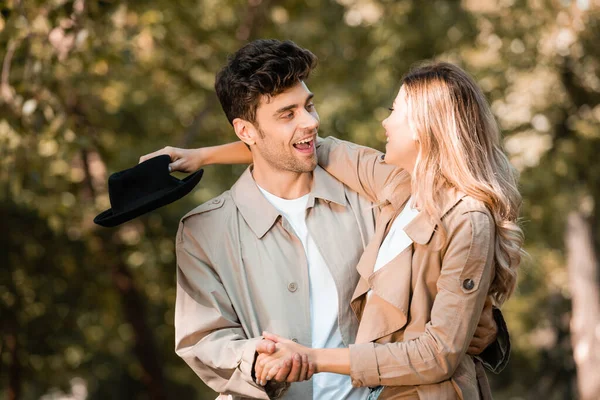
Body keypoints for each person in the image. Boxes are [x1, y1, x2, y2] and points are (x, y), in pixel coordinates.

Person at [140, 40, 510, 400]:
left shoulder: (377, 197)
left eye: (309, 106)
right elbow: (202, 340)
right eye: (288, 113)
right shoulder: (204, 231)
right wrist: (255, 358)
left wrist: (486, 321)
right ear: (245, 131)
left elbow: (439, 298)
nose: (310, 122)